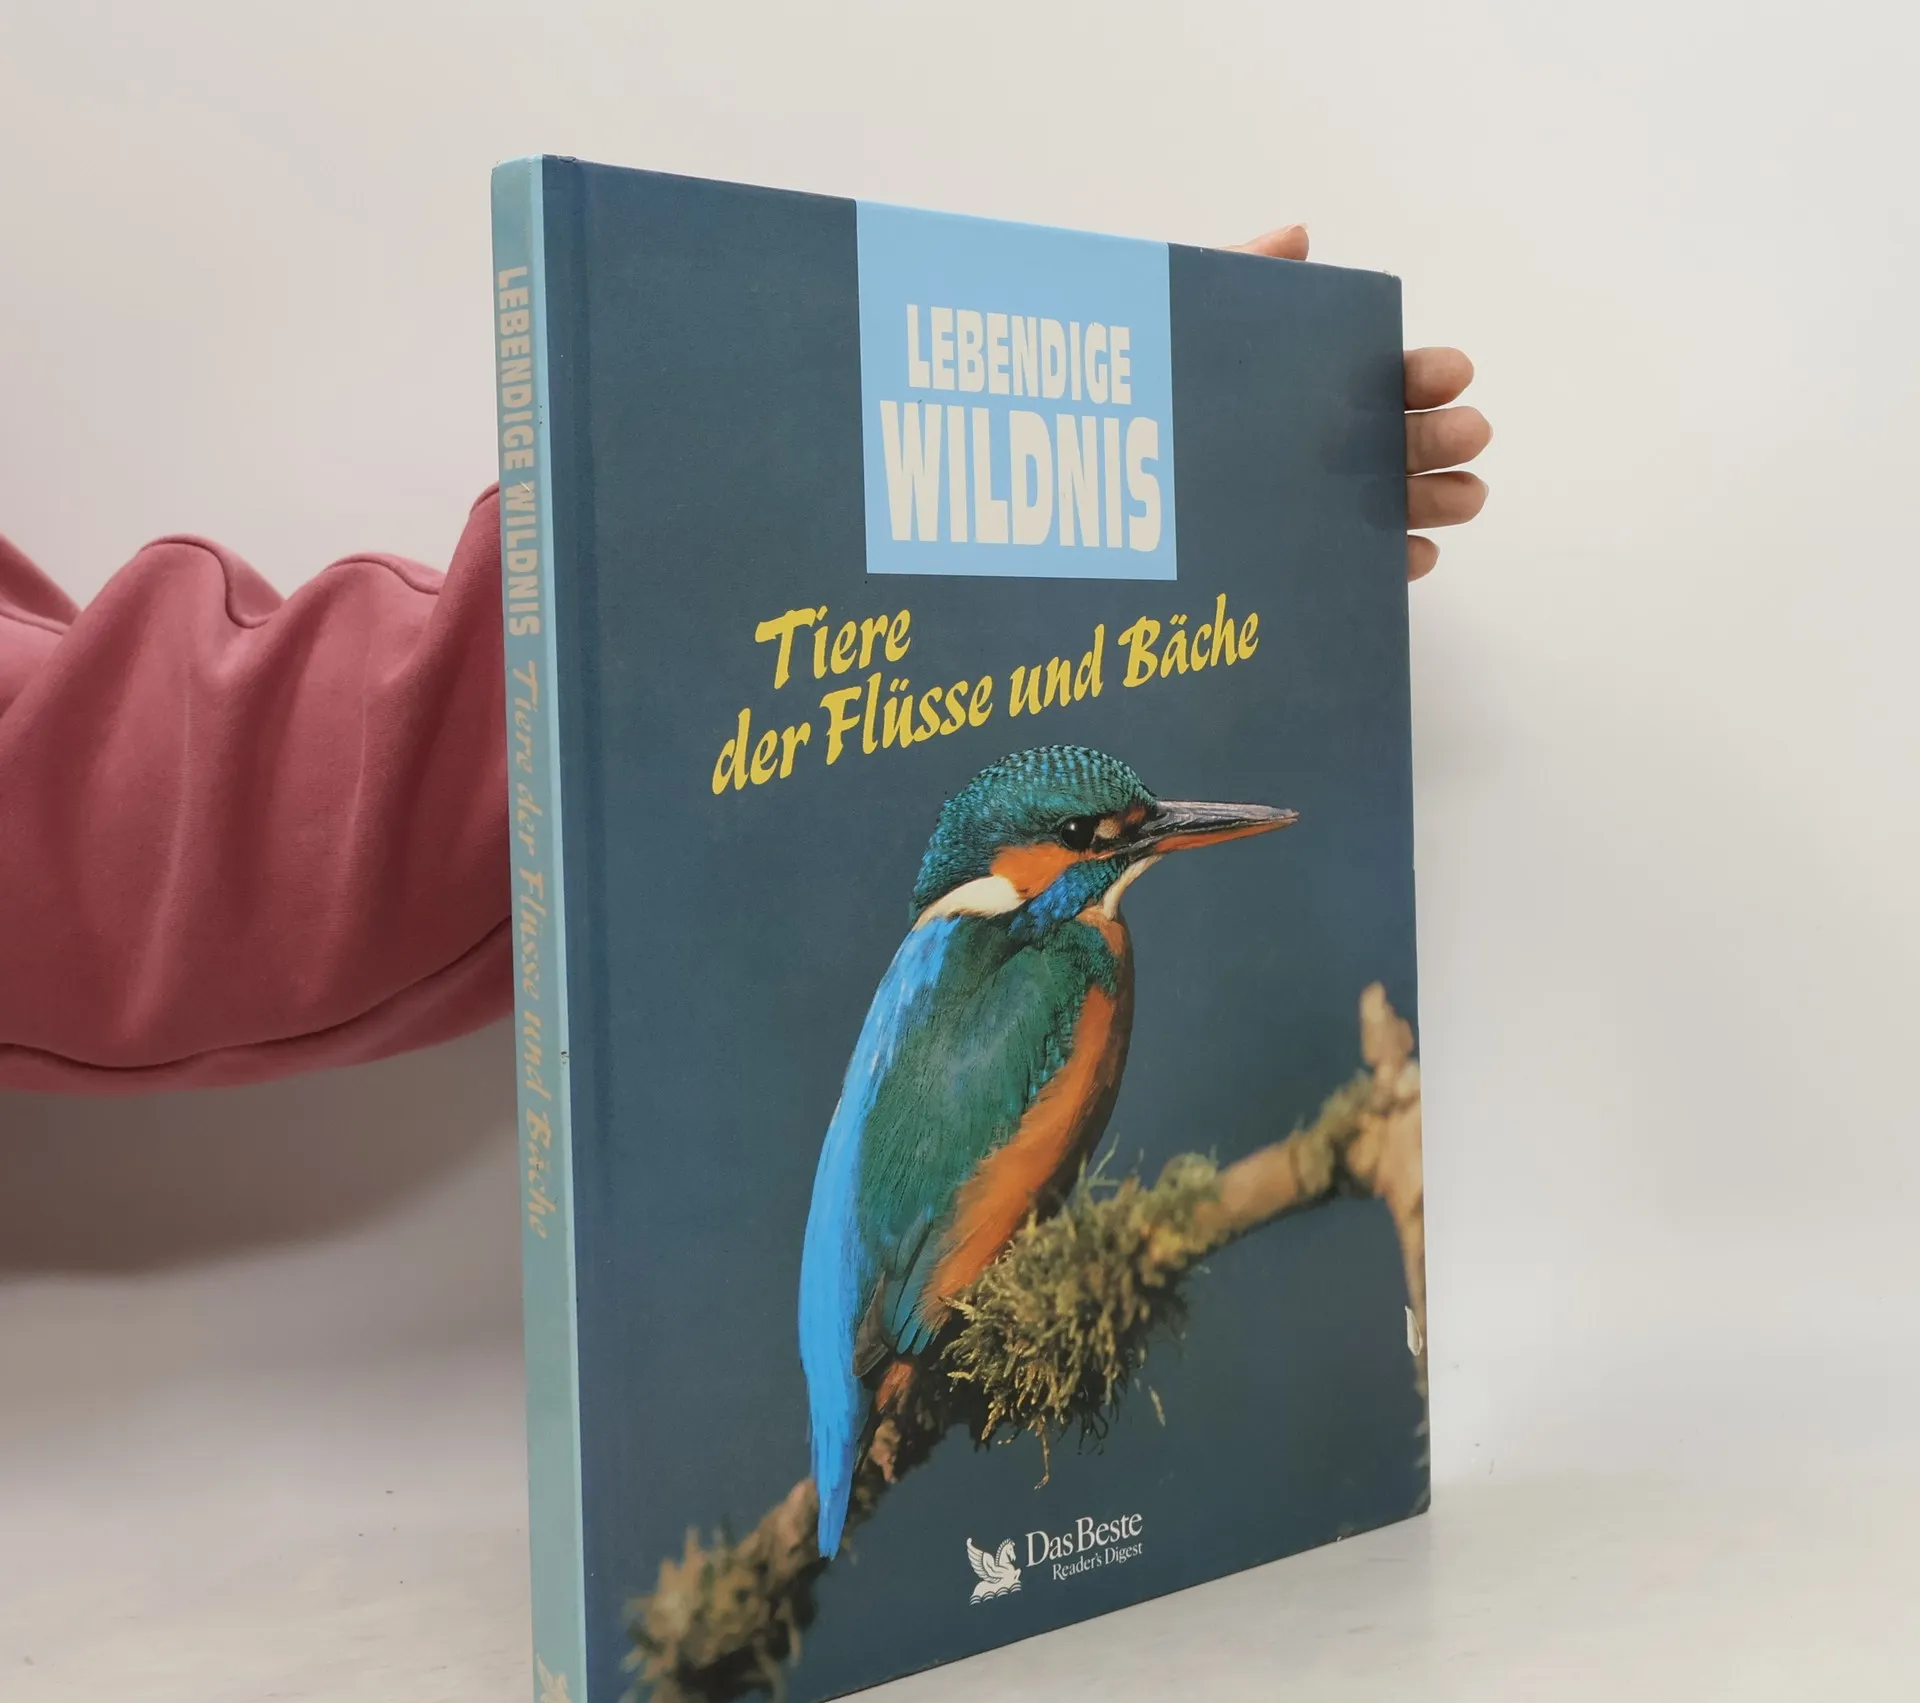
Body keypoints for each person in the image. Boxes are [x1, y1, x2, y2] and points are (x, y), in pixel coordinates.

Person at [0, 225, 1489, 1094]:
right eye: (1097, 837)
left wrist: (1067, 465)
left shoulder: (1062, 959)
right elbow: (130, 837)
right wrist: (879, 477)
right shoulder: (1022, 970)